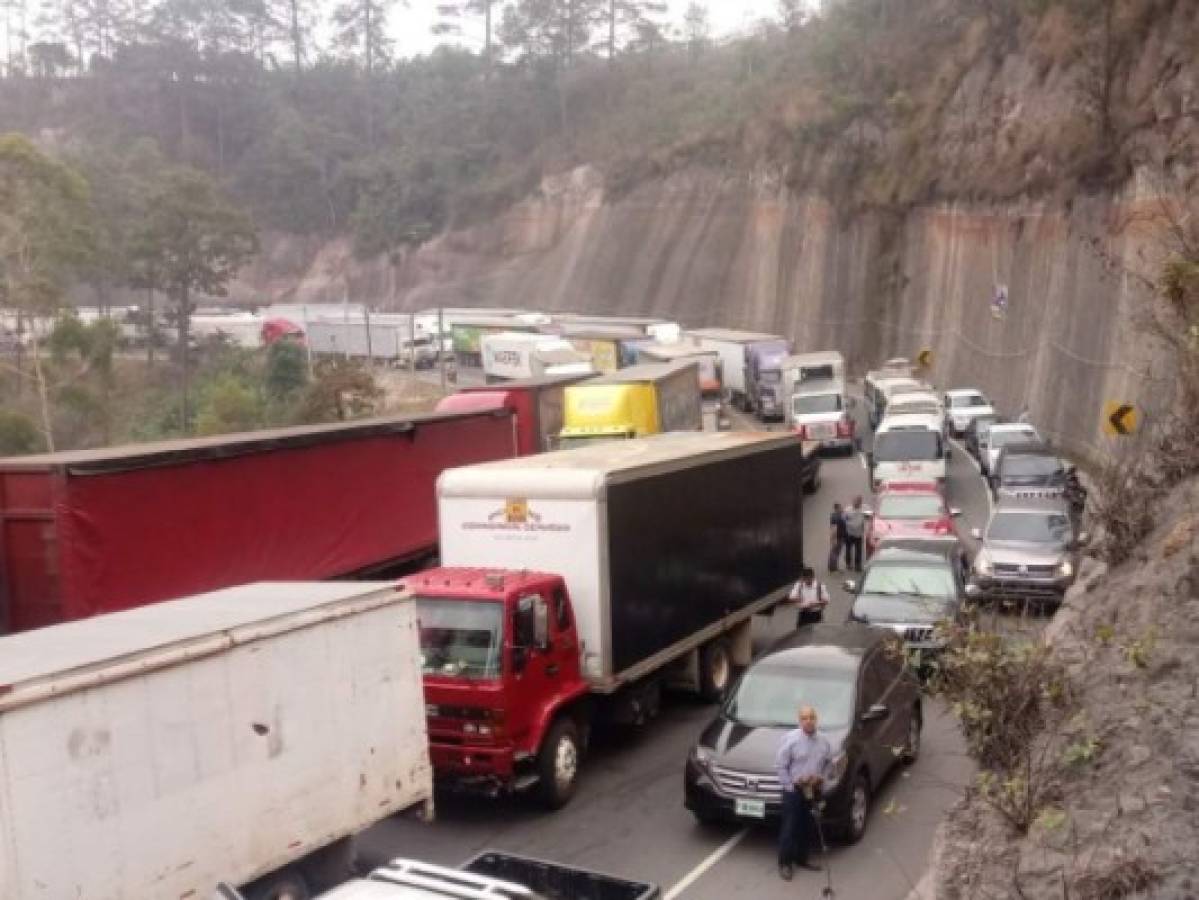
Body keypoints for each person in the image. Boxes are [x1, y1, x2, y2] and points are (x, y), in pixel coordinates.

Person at [775, 705, 833, 881]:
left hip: (813, 790)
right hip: (794, 790)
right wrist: (791, 785)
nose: (808, 721)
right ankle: (785, 863)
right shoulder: (790, 740)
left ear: (816, 719)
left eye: (811, 717)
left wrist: (821, 778)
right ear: (799, 721)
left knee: (807, 825)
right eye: (804, 718)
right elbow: (780, 765)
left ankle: (801, 858)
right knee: (790, 827)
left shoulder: (823, 740)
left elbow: (828, 763)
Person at [843, 495, 866, 572]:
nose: (856, 503)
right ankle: (848, 564)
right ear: (853, 502)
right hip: (849, 533)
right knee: (848, 549)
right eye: (855, 501)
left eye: (858, 502)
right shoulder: (847, 510)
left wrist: (865, 530)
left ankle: (857, 565)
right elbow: (843, 519)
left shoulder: (864, 509)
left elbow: (868, 518)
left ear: (860, 502)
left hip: (859, 534)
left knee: (858, 550)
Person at [828, 502, 847, 572]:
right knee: (835, 552)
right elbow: (834, 528)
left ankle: (832, 566)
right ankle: (833, 567)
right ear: (837, 508)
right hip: (838, 537)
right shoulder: (837, 517)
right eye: (840, 507)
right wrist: (833, 538)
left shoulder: (835, 515)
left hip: (838, 536)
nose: (842, 508)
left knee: (834, 551)